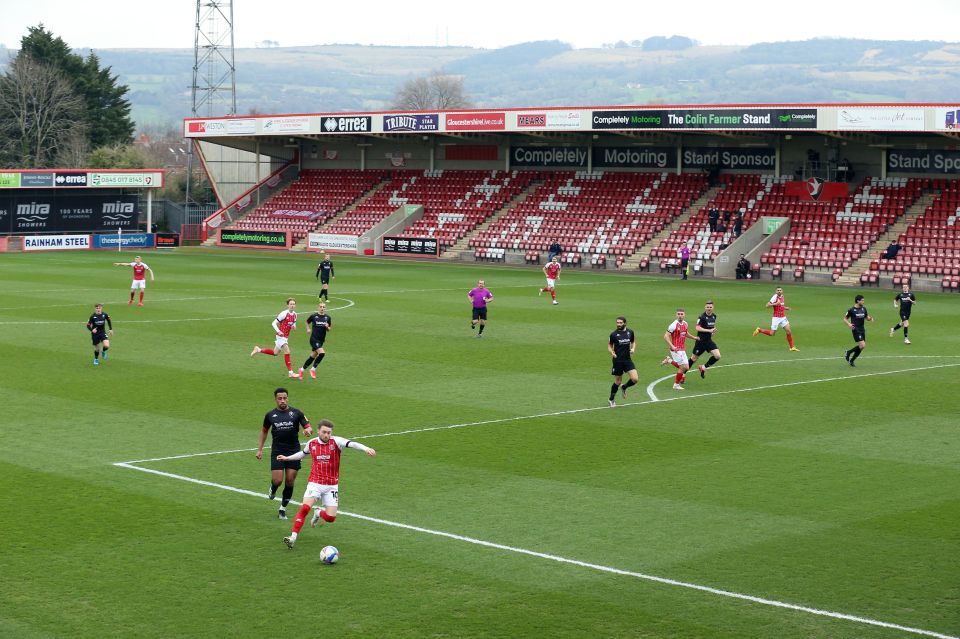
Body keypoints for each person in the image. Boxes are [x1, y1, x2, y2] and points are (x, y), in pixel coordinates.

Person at [279, 419, 376, 549]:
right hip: (315, 483)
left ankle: (318, 513)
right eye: (324, 432)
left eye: (329, 432)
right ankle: (292, 537)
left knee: (330, 518)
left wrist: (366, 448)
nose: (326, 435)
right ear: (318, 431)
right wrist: (287, 458)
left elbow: (352, 444)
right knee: (305, 508)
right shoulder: (312, 443)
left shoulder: (336, 442)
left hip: (331, 485)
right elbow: (303, 454)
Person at [256, 387, 313, 520]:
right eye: (280, 398)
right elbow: (264, 431)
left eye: (285, 398)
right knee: (277, 480)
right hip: (277, 450)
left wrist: (308, 431)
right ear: (275, 399)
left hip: (293, 451)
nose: (283, 401)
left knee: (290, 480)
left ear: (288, 398)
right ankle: (273, 488)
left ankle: (283, 508)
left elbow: (308, 426)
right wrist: (259, 449)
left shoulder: (297, 413)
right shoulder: (270, 415)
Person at [251, 298, 299, 378]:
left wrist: (294, 326)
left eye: (293, 304)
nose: (292, 305)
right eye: (290, 304)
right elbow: (273, 323)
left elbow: (294, 323)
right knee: (287, 351)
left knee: (275, 353)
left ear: (295, 305)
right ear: (288, 305)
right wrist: (279, 331)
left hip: (286, 337)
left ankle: (258, 349)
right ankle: (291, 372)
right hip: (281, 336)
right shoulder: (283, 314)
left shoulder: (295, 315)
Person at [753, 286, 799, 351]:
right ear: (776, 291)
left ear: (782, 291)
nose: (779, 291)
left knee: (788, 331)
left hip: (783, 317)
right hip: (776, 318)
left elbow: (781, 305)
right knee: (772, 333)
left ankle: (792, 347)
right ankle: (759, 330)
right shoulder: (774, 297)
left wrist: (786, 308)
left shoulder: (782, 296)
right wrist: (775, 303)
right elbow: (767, 305)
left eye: (780, 290)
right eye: (778, 290)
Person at [607, 315, 637, 407]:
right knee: (618, 381)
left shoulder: (630, 332)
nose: (618, 324)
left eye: (620, 323)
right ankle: (611, 399)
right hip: (618, 360)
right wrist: (612, 352)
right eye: (617, 323)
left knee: (635, 379)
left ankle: (624, 387)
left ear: (625, 323)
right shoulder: (613, 334)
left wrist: (633, 349)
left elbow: (633, 341)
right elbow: (609, 345)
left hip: (627, 360)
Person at [299, 301, 332, 379]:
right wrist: (308, 329)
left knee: (312, 356)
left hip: (321, 340)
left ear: (325, 308)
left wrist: (327, 327)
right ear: (318, 307)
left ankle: (301, 370)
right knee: (322, 353)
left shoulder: (328, 318)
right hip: (314, 339)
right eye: (321, 307)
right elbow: (307, 322)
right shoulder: (314, 316)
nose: (322, 308)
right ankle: (313, 369)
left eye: (324, 307)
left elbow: (329, 329)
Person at [689, 301, 721, 379]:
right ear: (705, 307)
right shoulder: (701, 317)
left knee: (717, 356)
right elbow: (697, 328)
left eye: (710, 307)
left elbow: (711, 327)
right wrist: (709, 331)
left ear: (713, 308)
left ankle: (703, 367)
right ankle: (683, 374)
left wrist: (713, 330)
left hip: (708, 341)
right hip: (700, 341)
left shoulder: (714, 316)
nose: (709, 308)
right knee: (693, 358)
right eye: (707, 307)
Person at [662, 309, 690, 390]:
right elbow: (666, 336)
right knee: (683, 367)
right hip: (675, 349)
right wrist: (672, 346)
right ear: (676, 315)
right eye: (678, 314)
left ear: (684, 315)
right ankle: (676, 385)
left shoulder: (685, 324)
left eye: (681, 314)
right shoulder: (673, 325)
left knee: (686, 368)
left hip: (682, 349)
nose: (680, 315)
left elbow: (685, 333)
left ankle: (669, 360)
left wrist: (694, 338)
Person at [844, 294, 873, 367]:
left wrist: (870, 318)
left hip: (862, 329)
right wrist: (849, 324)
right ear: (858, 301)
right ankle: (849, 355)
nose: (863, 301)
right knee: (863, 345)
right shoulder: (851, 310)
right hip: (855, 329)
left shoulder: (863, 309)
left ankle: (850, 357)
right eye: (862, 300)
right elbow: (845, 319)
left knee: (861, 346)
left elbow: (866, 317)